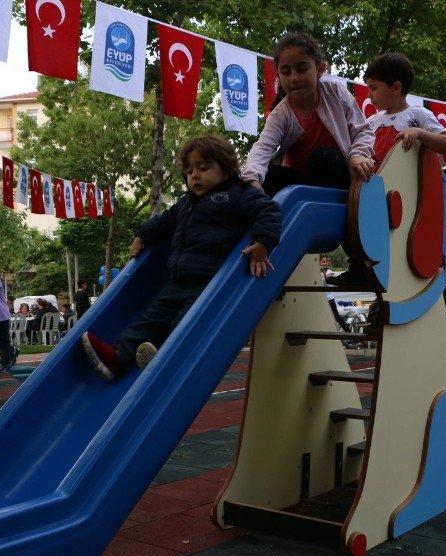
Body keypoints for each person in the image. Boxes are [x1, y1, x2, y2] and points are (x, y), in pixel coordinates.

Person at [82, 135, 282, 380]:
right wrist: (142, 235)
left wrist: (262, 243)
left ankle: (165, 358)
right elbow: (163, 221)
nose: (194, 176)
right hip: (177, 279)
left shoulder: (238, 194)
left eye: (203, 168)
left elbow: (269, 210)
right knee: (149, 320)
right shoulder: (187, 203)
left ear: (227, 169)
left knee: (184, 323)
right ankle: (117, 358)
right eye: (189, 171)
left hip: (209, 281)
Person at [241, 33, 374, 287]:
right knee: (265, 176)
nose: (294, 78)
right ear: (278, 75)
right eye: (286, 71)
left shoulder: (335, 92)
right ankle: (260, 242)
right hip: (307, 185)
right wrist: (252, 180)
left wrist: (358, 155)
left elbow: (363, 130)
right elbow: (263, 148)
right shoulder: (282, 113)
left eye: (302, 69)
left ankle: (359, 263)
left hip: (341, 176)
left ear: (320, 69)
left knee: (322, 157)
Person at [363, 53, 446, 168]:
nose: (368, 95)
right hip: (372, 182)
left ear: (396, 88)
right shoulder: (371, 121)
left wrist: (419, 133)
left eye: (374, 88)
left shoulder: (419, 115)